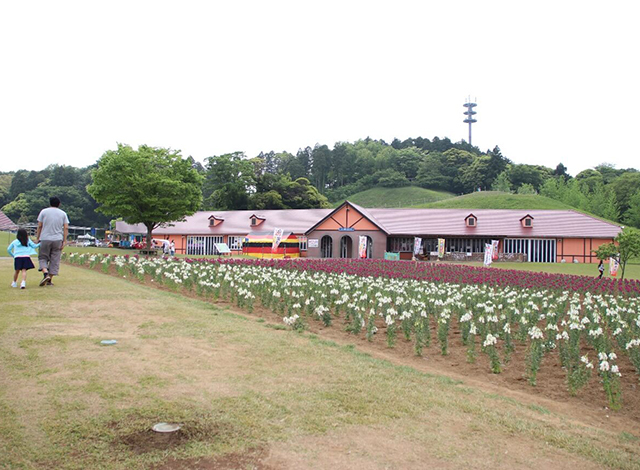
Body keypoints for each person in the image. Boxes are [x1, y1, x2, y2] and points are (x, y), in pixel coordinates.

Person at [36, 196, 69, 286]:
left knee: (43, 257)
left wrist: (37, 237)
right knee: (55, 259)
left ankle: (45, 273)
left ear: (49, 203)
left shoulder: (43, 212)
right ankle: (49, 279)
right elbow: (66, 227)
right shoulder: (63, 214)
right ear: (59, 204)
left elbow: (39, 226)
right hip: (57, 239)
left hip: (45, 238)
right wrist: (64, 240)